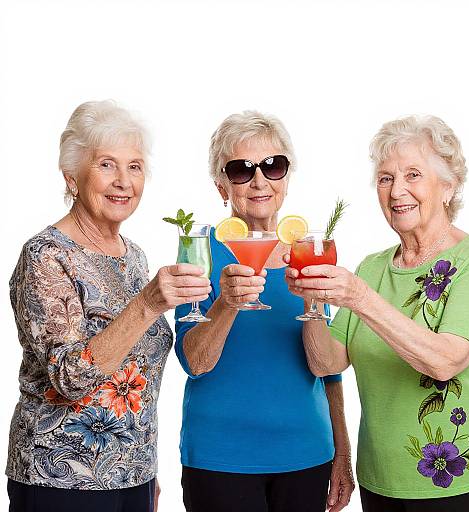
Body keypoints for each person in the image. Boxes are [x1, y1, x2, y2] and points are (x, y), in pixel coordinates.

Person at [286, 115, 469, 511]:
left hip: (457, 484)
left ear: (448, 187)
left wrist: (358, 297)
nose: (396, 190)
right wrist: (312, 296)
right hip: (381, 479)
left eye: (413, 174)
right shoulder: (373, 267)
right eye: (385, 178)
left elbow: (444, 360)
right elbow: (326, 362)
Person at [6, 100, 211, 512]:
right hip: (60, 478)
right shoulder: (46, 256)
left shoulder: (132, 256)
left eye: (134, 167)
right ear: (72, 177)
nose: (123, 181)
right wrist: (148, 303)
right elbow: (70, 378)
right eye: (106, 165)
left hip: (131, 476)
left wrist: (144, 471)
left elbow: (141, 377)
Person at [174, 111, 354, 512]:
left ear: (286, 178)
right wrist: (226, 303)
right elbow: (195, 362)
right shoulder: (199, 253)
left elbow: (328, 370)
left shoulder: (307, 252)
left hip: (306, 454)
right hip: (221, 459)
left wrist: (342, 452)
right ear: (222, 185)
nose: (259, 181)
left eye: (273, 166)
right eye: (241, 170)